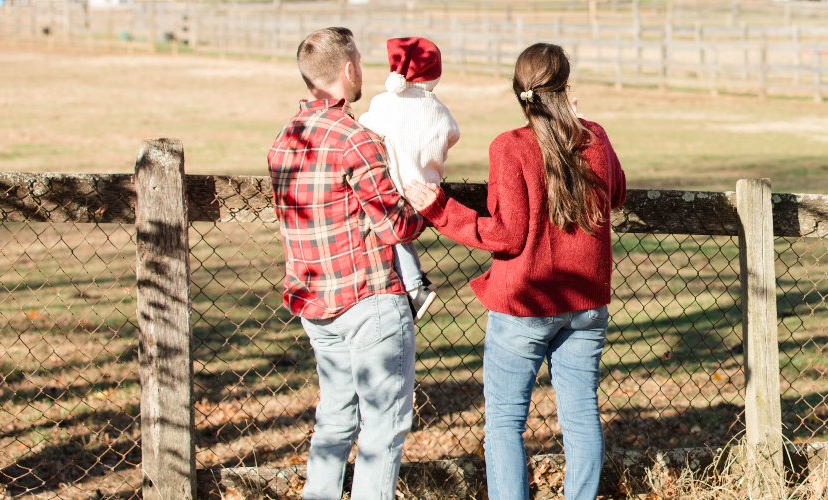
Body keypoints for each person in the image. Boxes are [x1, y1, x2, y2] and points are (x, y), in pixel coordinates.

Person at [402, 42, 626, 500]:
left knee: (505, 422)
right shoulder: (594, 137)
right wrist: (583, 126)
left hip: (525, 304)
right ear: (565, 86)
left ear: (518, 91)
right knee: (580, 415)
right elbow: (616, 193)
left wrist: (441, 209)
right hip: (586, 304)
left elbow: (506, 234)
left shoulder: (511, 147)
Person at [267, 27, 425, 500]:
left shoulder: (284, 140)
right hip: (368, 297)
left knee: (334, 419)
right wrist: (424, 204)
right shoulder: (354, 138)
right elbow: (396, 226)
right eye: (359, 61)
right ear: (348, 69)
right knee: (383, 428)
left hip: (315, 302)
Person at [359, 36, 461, 319]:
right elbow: (453, 134)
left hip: (394, 187)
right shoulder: (438, 109)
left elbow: (363, 129)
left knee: (391, 232)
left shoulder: (382, 103)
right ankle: (414, 285)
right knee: (401, 236)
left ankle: (414, 287)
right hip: (428, 192)